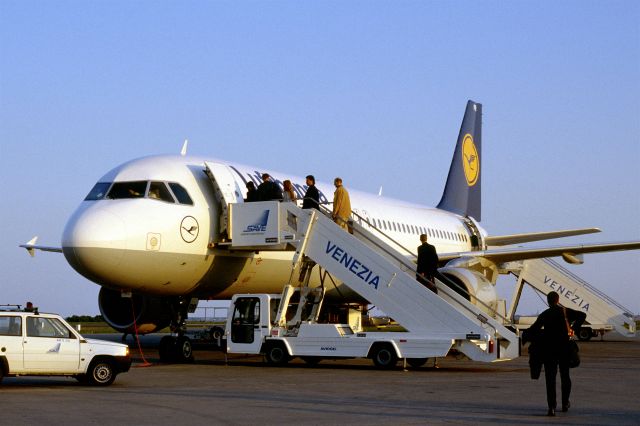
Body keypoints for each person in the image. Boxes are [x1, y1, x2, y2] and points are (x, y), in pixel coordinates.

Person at [527, 291, 586, 416]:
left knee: (550, 379)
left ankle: (551, 407)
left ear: (548, 301)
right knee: (565, 376)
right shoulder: (565, 312)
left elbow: (534, 329)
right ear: (558, 300)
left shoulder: (545, 314)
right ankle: (565, 403)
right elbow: (582, 315)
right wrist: (573, 329)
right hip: (564, 349)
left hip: (549, 350)